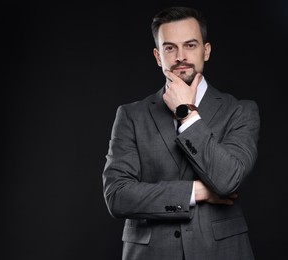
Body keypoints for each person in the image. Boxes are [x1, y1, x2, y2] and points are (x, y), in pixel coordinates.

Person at [102, 6, 260, 260]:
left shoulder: (239, 111)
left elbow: (228, 179)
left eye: (190, 45)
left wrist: (186, 114)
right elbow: (118, 196)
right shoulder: (131, 115)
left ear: (206, 51)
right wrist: (196, 192)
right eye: (170, 48)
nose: (180, 57)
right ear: (157, 56)